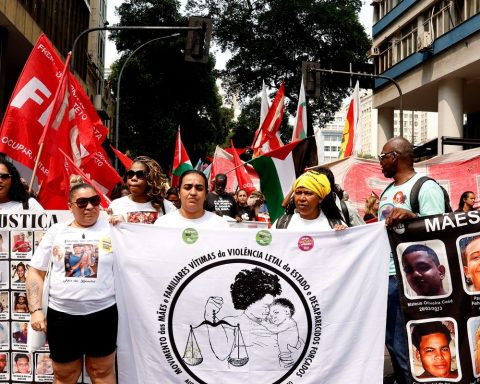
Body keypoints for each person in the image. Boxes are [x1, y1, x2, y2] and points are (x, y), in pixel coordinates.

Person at [26, 181, 117, 384]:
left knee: (101, 372)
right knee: (65, 375)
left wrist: (126, 223)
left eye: (94, 201)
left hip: (103, 314)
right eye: (82, 203)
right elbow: (35, 271)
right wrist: (35, 310)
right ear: (70, 207)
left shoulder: (114, 228)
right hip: (63, 316)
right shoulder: (57, 231)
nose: (90, 207)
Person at [379, 136, 447, 384]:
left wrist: (414, 216)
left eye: (383, 157)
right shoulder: (389, 190)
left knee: (403, 343)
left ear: (395, 157)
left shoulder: (425, 187)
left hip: (407, 279)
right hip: (385, 276)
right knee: (393, 343)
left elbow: (440, 232)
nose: (380, 163)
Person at [204, 267, 302, 370]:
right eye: (266, 306)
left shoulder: (276, 324)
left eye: (271, 306)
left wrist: (295, 355)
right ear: (249, 301)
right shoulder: (231, 322)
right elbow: (221, 354)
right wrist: (209, 315)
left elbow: (296, 344)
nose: (269, 311)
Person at [109, 156, 176, 224]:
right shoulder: (116, 205)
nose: (134, 178)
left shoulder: (167, 207)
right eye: (130, 174)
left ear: (152, 179)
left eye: (140, 174)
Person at [154, 170, 229, 228]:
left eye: (199, 188)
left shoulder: (221, 225)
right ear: (179, 193)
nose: (193, 193)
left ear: (206, 194)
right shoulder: (162, 224)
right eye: (187, 187)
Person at [274, 170, 347, 230]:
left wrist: (343, 235)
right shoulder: (281, 224)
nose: (302, 198)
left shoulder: (334, 226)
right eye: (298, 193)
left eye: (308, 193)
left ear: (320, 198)